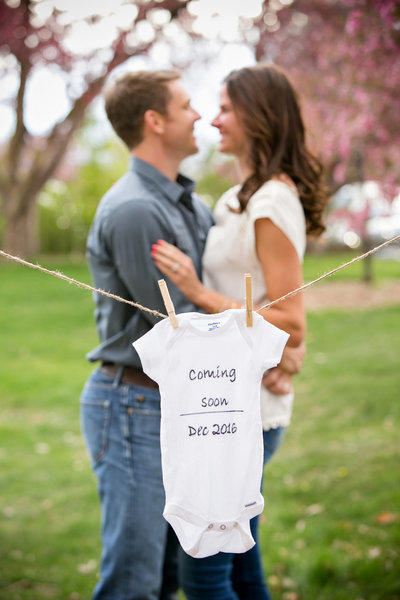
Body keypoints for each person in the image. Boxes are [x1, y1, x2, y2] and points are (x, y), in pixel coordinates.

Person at [151, 63, 327, 599]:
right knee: (241, 566)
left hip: (243, 409)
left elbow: (291, 321)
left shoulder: (273, 201)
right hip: (225, 394)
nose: (214, 119)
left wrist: (203, 298)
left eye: (226, 108)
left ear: (258, 116)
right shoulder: (237, 198)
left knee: (203, 573)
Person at [79, 69, 215, 600]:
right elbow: (178, 324)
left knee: (167, 577)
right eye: (187, 106)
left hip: (175, 404)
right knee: (134, 583)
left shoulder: (191, 204)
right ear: (155, 121)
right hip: (134, 403)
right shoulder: (136, 208)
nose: (199, 115)